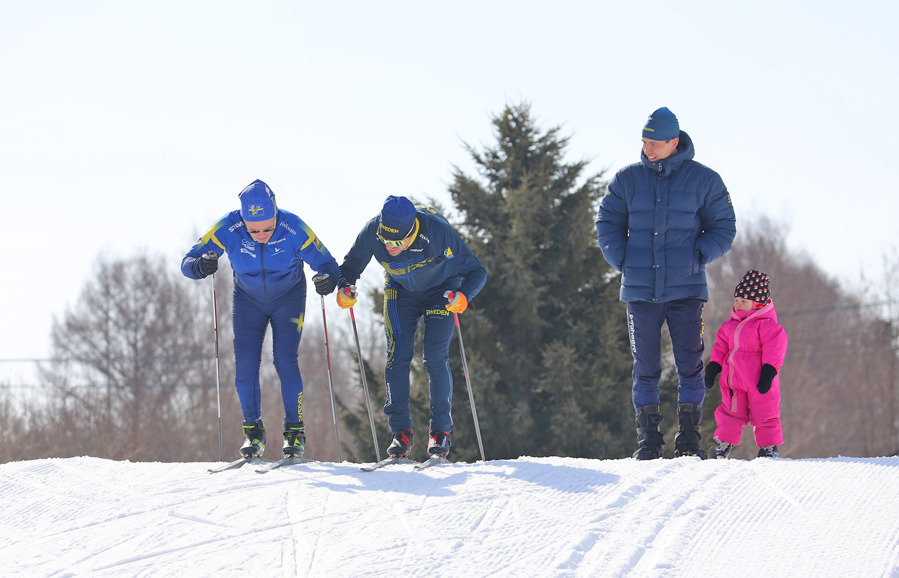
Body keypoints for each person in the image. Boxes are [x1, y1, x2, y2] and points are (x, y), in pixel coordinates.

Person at [596, 107, 736, 460]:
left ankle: (688, 440)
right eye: (644, 142)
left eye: (654, 143)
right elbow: (607, 223)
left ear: (674, 142)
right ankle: (649, 441)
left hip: (686, 290)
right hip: (640, 291)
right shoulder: (626, 180)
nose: (647, 148)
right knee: (645, 367)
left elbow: (723, 227)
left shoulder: (705, 180)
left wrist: (698, 254)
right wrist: (623, 259)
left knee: (690, 365)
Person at [181, 179, 340, 460]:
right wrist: (201, 266)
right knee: (245, 366)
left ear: (276, 214)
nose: (261, 235)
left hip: (289, 298)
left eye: (268, 228)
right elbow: (187, 263)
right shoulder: (228, 227)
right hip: (247, 301)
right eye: (253, 230)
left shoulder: (293, 227)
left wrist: (328, 280)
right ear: (243, 220)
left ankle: (295, 431)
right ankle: (253, 432)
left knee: (284, 360)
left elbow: (328, 264)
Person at [336, 196, 487, 459]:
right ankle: (400, 433)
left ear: (412, 232)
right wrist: (344, 288)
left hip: (442, 289)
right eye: (385, 239)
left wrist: (464, 296)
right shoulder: (372, 231)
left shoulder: (436, 232)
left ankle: (440, 433)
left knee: (434, 357)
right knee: (397, 356)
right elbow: (349, 268)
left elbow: (477, 272)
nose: (389, 247)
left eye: (397, 242)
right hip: (400, 290)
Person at [705, 270, 788, 458]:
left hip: (760, 381)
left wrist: (769, 370)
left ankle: (769, 447)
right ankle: (723, 445)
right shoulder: (729, 326)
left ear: (758, 303)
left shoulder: (766, 325)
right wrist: (714, 366)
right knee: (730, 413)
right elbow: (720, 347)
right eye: (736, 300)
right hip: (734, 382)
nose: (738, 304)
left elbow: (775, 348)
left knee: (766, 413)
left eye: (743, 301)